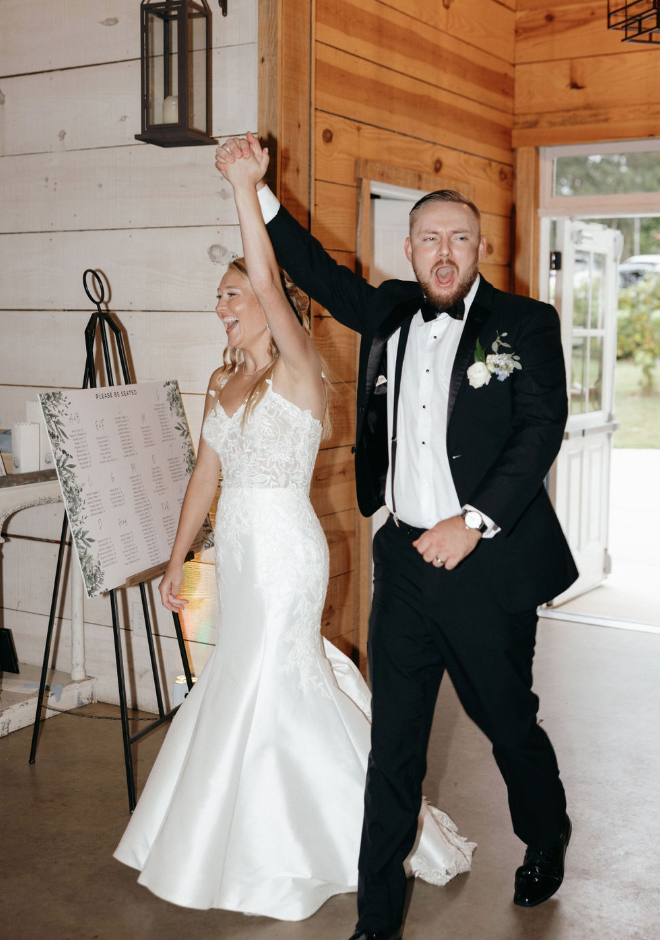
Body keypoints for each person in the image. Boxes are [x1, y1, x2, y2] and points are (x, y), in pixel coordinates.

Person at [215, 133, 579, 940]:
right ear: (409, 249)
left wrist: (473, 521)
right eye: (428, 239)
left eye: (458, 238)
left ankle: (545, 833)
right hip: (403, 566)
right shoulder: (386, 310)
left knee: (507, 721)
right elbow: (308, 268)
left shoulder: (527, 323)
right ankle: (377, 923)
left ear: (480, 247)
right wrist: (255, 190)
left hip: (486, 566)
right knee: (393, 748)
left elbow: (539, 430)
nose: (443, 252)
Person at [113, 140, 476, 920]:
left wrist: (248, 191)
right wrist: (175, 560)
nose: (223, 307)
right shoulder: (221, 379)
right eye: (220, 297)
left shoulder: (300, 367)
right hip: (238, 552)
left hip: (284, 552)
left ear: (269, 303)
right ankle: (230, 832)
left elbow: (272, 276)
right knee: (242, 677)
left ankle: (321, 838)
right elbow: (205, 477)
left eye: (234, 296)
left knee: (269, 681)